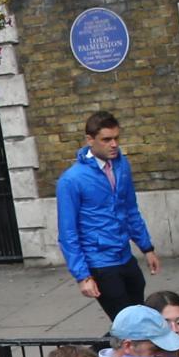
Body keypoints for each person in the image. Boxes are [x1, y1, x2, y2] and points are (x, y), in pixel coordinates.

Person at [56, 111, 160, 320]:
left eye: (116, 138)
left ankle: (115, 350)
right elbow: (68, 233)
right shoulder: (71, 180)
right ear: (90, 140)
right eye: (106, 139)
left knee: (138, 317)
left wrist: (147, 248)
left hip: (124, 255)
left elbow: (130, 209)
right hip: (100, 261)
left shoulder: (122, 166)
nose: (113, 144)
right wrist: (83, 276)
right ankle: (109, 350)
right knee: (127, 323)